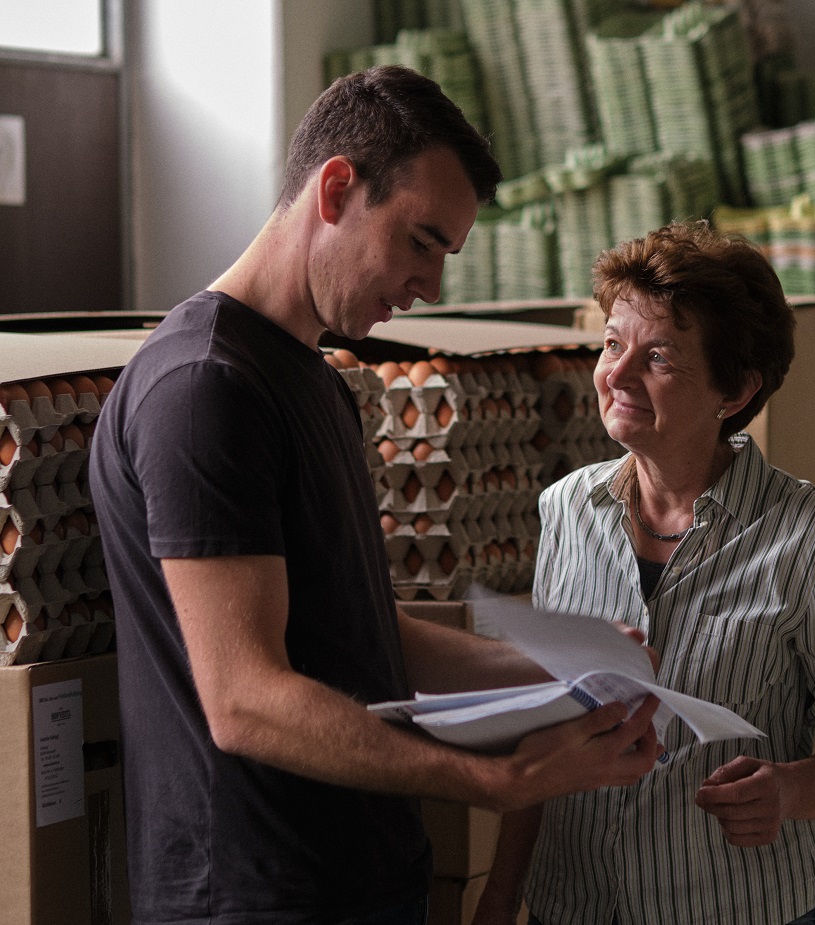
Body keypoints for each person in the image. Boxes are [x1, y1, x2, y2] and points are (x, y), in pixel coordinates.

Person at [89, 65, 663, 925]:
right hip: (252, 897)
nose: (429, 285)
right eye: (420, 241)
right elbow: (245, 698)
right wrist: (487, 780)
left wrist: (569, 663)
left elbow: (361, 631)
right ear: (336, 188)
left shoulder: (310, 382)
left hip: (355, 882)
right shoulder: (205, 388)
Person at [473, 221, 815, 925]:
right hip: (571, 906)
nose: (615, 374)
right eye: (613, 343)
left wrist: (791, 790)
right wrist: (499, 898)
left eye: (660, 359)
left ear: (734, 391)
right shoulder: (566, 510)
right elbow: (548, 730)